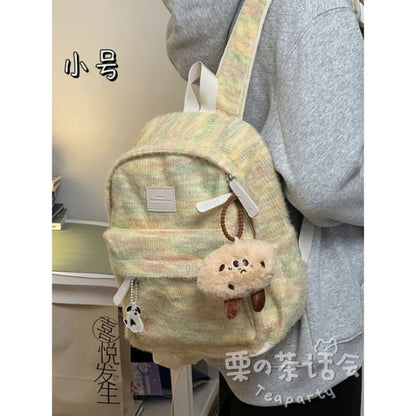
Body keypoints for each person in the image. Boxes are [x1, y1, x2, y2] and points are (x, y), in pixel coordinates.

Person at [162, 0, 364, 414]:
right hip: (313, 336)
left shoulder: (239, 11)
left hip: (252, 323)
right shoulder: (313, 9)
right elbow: (327, 184)